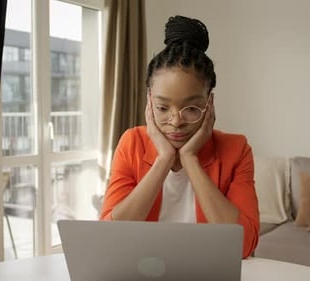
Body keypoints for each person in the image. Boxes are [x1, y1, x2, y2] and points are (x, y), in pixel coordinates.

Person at [99, 15, 259, 258]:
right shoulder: (132, 143)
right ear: (149, 102)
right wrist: (163, 159)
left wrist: (190, 158)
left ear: (209, 104)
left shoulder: (237, 149)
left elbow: (243, 246)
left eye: (192, 109)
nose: (176, 122)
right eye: (163, 108)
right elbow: (108, 238)